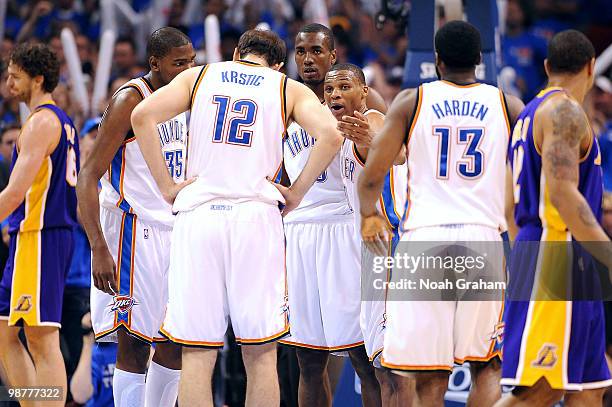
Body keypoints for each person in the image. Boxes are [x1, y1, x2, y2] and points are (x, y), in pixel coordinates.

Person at [130, 28, 343, 407]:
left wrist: (166, 185)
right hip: (254, 218)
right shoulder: (285, 86)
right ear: (277, 63)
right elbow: (330, 134)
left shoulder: (200, 75)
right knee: (260, 355)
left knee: (197, 353)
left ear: (237, 53)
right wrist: (296, 193)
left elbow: (142, 115)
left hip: (198, 218)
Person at [357, 21, 524, 406]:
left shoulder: (412, 101)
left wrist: (370, 215)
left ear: (436, 61)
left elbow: (371, 177)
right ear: (480, 61)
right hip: (483, 241)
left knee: (427, 372)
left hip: (424, 243)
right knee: (489, 365)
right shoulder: (507, 104)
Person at [76, 27, 195, 407]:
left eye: (191, 62)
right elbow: (87, 176)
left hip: (173, 229)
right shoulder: (131, 99)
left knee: (175, 341)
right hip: (132, 231)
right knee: (135, 345)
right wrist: (98, 247)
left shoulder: (185, 98)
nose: (187, 69)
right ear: (155, 63)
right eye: (179, 63)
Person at [497, 29, 612, 407]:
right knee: (539, 390)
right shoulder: (564, 111)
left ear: (547, 66)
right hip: (557, 254)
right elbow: (563, 194)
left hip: (556, 253)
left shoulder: (529, 115)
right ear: (592, 67)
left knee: (588, 387)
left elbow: (508, 206)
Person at [279, 23, 387, 407]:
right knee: (308, 358)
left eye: (316, 51)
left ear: (333, 55)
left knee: (362, 354)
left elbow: (392, 146)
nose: (308, 59)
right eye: (302, 51)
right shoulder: (284, 98)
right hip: (299, 231)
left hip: (344, 229)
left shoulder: (358, 96)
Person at [324, 63, 408, 407]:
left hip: (389, 248)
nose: (335, 95)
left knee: (391, 369)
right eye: (330, 90)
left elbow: (399, 154)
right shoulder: (340, 133)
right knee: (382, 367)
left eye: (344, 87)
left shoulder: (371, 120)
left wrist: (373, 141)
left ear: (362, 92)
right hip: (371, 254)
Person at [0, 43, 80, 407]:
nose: (8, 83)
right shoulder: (56, 121)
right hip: (31, 236)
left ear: (37, 79)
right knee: (3, 332)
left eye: (15, 76)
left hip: (42, 236)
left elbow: (15, 193)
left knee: (42, 339)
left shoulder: (42, 122)